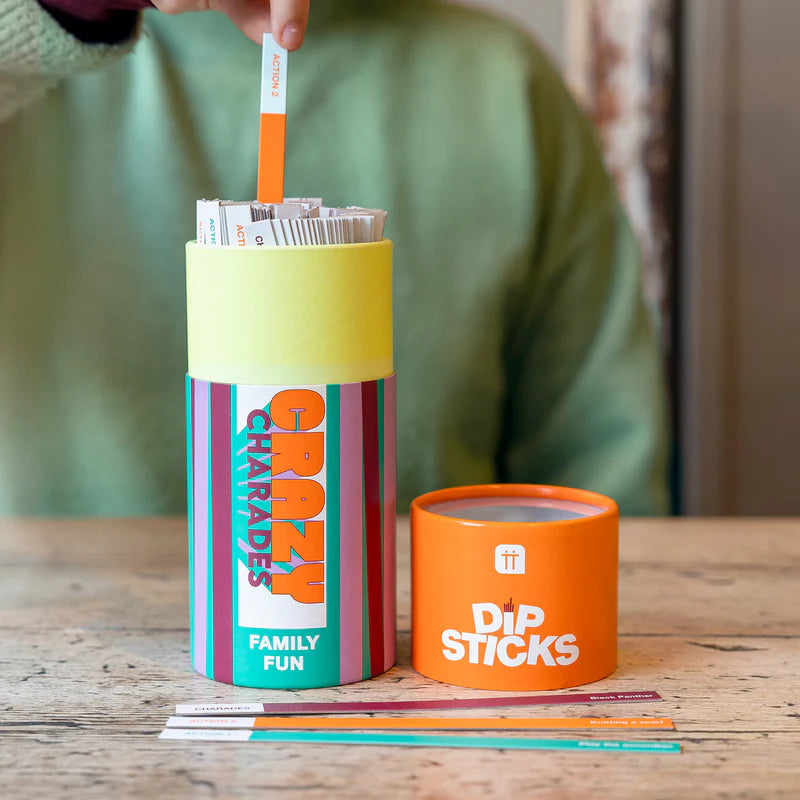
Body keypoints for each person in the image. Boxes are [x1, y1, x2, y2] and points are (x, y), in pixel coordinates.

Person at [0, 0, 669, 515]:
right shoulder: (31, 67)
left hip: (421, 660)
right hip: (48, 666)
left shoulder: (506, 85)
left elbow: (602, 475)